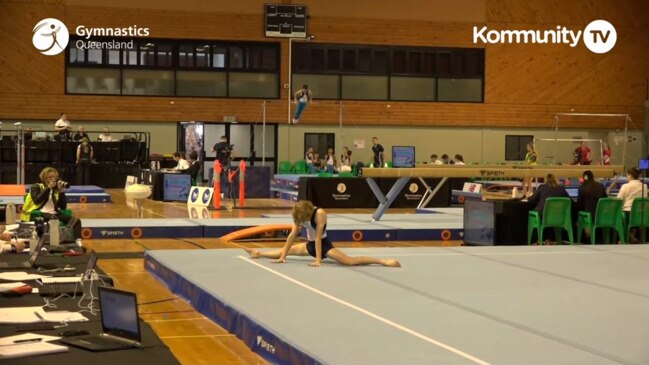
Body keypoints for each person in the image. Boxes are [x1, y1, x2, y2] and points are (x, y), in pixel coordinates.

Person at [243, 200, 401, 268]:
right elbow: (292, 235)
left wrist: (319, 260)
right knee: (282, 251)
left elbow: (318, 237)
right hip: (309, 245)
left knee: (349, 261)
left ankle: (383, 261)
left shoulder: (320, 213)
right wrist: (283, 256)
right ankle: (258, 253)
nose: (301, 223)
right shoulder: (299, 212)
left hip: (324, 246)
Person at [20, 167, 81, 238]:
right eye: (50, 177)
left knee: (76, 221)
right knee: (53, 219)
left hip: (54, 213)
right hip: (39, 213)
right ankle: (52, 240)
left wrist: (61, 192)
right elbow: (37, 200)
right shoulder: (36, 186)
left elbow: (63, 207)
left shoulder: (56, 190)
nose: (53, 179)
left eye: (54, 177)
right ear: (44, 178)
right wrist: (48, 188)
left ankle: (77, 242)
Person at [617, 167, 648, 243]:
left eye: (627, 175)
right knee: (634, 219)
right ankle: (632, 236)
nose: (627, 177)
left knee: (618, 216)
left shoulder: (626, 186)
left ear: (630, 175)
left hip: (628, 213)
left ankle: (628, 237)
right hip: (641, 213)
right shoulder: (645, 186)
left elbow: (618, 200)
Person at [576, 170, 607, 242]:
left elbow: (579, 204)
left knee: (577, 212)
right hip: (601, 214)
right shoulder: (600, 185)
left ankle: (585, 232)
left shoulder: (582, 187)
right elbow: (605, 199)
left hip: (589, 216)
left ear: (584, 178)